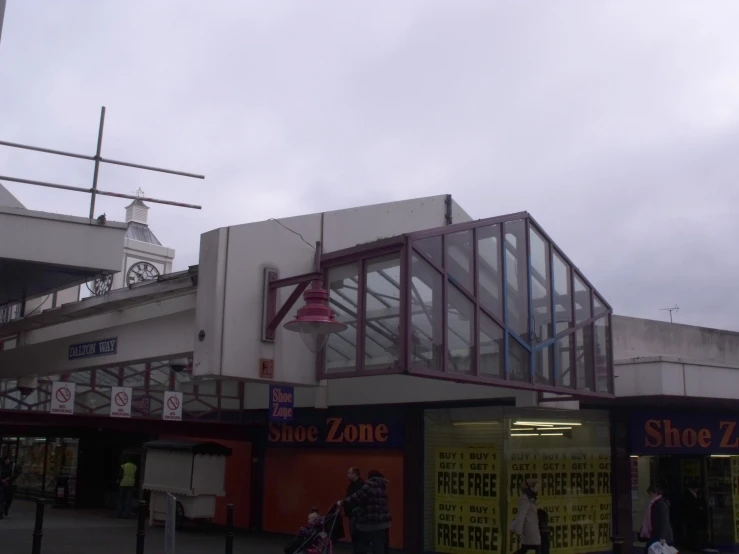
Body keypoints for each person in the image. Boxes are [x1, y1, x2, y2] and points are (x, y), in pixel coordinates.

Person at [340, 469, 392, 554]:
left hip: (368, 522)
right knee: (379, 546)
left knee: (361, 545)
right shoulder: (383, 488)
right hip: (382, 523)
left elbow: (358, 496)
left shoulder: (369, 485)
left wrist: (344, 501)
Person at [510, 479, 541, 554]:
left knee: (526, 549)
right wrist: (518, 530)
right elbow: (521, 514)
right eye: (536, 487)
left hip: (532, 528)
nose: (538, 489)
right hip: (529, 529)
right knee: (536, 548)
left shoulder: (530, 497)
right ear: (531, 487)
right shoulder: (525, 498)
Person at [640, 486, 674, 553]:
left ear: (655, 493)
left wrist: (662, 537)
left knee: (649, 550)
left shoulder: (661, 504)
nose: (649, 496)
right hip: (654, 533)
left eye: (650, 494)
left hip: (659, 535)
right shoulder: (653, 503)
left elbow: (664, 521)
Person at [682, 482, 705, 551]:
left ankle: (692, 545)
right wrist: (699, 508)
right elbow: (689, 506)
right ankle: (692, 545)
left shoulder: (692, 494)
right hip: (692, 517)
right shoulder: (688, 495)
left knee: (693, 532)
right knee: (693, 532)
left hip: (693, 517)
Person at [345, 467, 365, 545]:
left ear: (354, 474)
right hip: (352, 513)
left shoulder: (360, 484)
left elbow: (357, 498)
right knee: (353, 534)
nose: (347, 475)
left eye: (349, 473)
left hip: (356, 514)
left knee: (356, 534)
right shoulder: (353, 484)